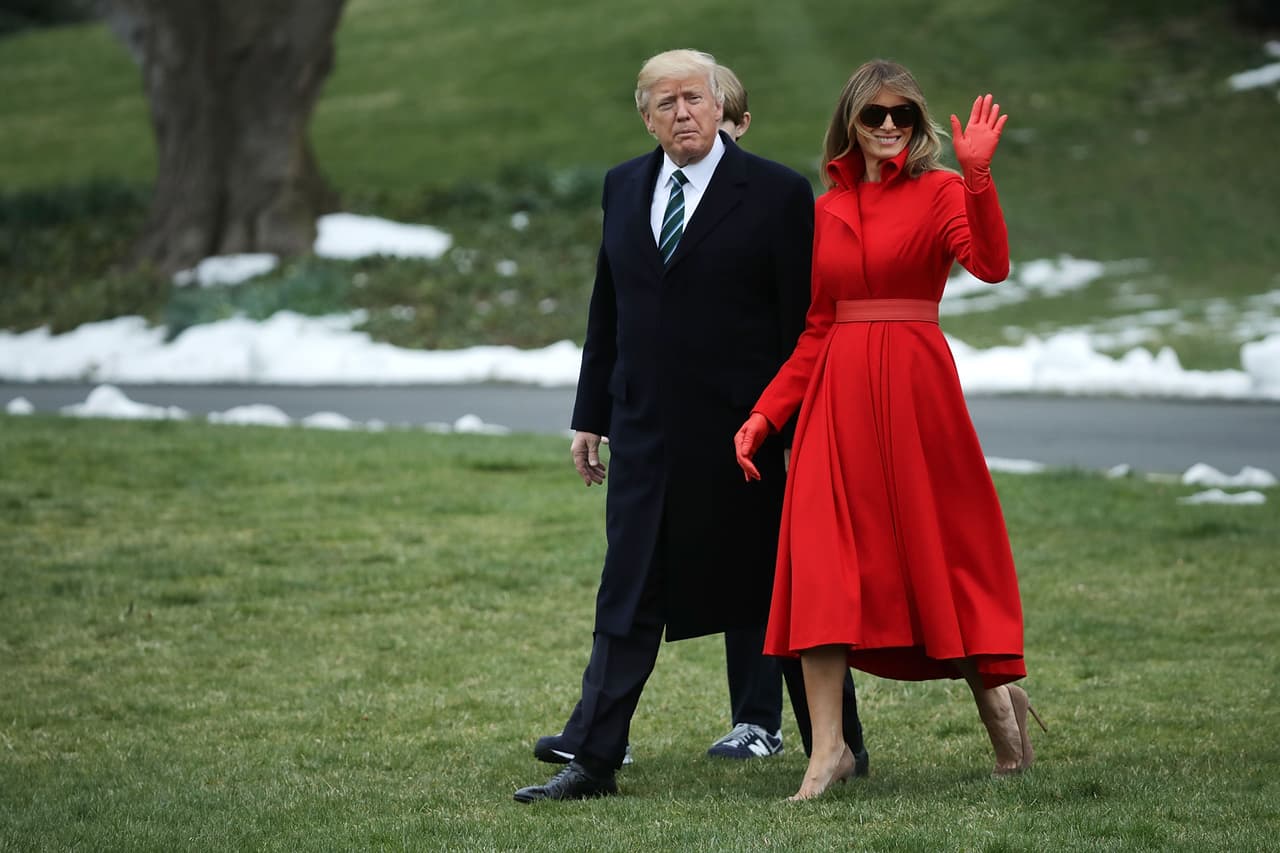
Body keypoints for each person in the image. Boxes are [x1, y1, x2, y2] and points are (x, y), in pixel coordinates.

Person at [515, 49, 866, 803]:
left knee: (777, 591)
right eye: (666, 103)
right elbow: (608, 307)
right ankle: (595, 760)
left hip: (748, 437)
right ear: (647, 118)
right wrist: (590, 415)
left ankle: (839, 747)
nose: (683, 113)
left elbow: (803, 323)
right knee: (627, 591)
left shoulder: (775, 192)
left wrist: (792, 427)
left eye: (694, 98)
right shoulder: (623, 185)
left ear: (719, 106)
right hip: (644, 432)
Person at [734, 59, 1046, 801]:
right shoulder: (827, 209)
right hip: (836, 404)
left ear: (917, 121)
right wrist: (765, 414)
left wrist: (978, 178)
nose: (888, 126)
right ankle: (828, 751)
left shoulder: (942, 190)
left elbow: (991, 264)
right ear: (850, 121)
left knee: (939, 556)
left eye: (902, 114)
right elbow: (817, 328)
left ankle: (1001, 710)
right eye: (873, 114)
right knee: (821, 565)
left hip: (914, 394)